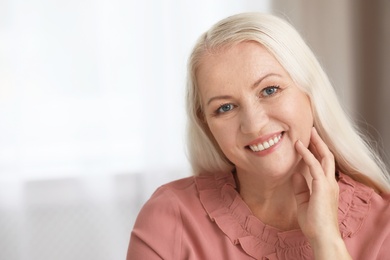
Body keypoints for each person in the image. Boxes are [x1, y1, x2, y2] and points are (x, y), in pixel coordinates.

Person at [127, 12, 390, 259]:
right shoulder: (170, 217)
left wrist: (327, 241)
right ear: (206, 125)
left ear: (310, 92)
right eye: (225, 107)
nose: (253, 125)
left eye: (270, 90)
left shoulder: (384, 226)